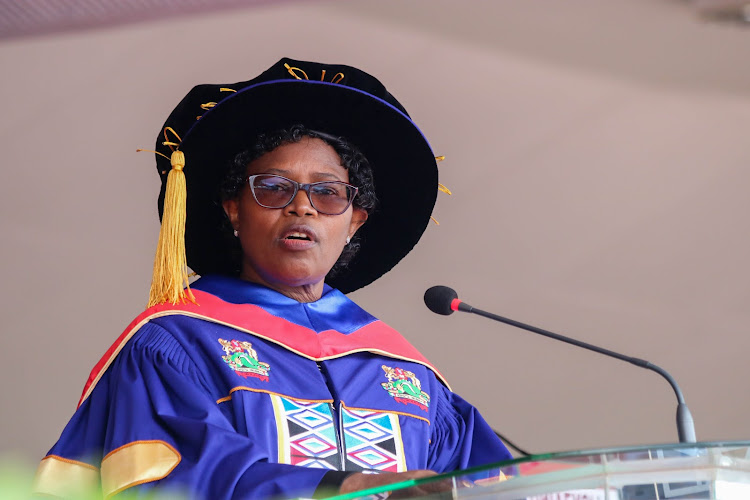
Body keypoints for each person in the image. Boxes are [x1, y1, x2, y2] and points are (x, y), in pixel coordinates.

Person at [33, 58, 512, 499]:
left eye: (327, 193)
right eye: (274, 188)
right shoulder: (174, 344)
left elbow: (498, 485)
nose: (301, 205)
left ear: (354, 222)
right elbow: (171, 481)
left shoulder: (410, 375)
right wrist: (345, 488)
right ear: (233, 209)